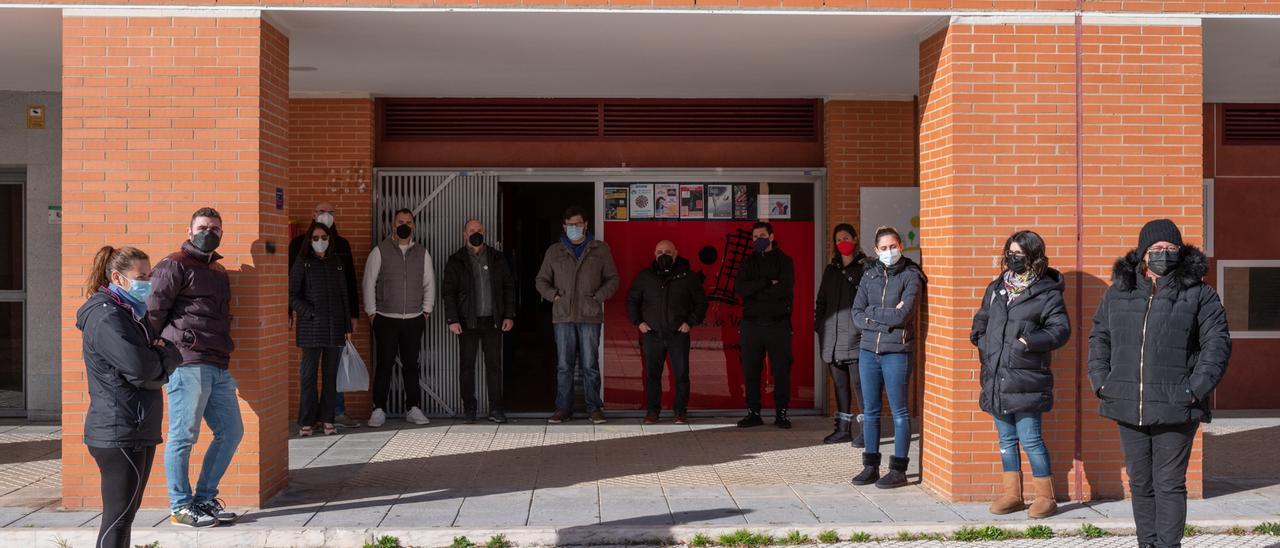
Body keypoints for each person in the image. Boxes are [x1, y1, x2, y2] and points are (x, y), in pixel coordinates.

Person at [1089, 219, 1230, 548]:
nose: (1162, 255)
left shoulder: (1200, 294)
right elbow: (1100, 337)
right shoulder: (1118, 293)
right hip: (1127, 403)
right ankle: (1146, 543)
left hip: (1177, 406)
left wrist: (1193, 390)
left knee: (1168, 483)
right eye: (1155, 250)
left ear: (1180, 253)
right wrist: (1102, 382)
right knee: (1140, 483)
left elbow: (1217, 345)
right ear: (1142, 255)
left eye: (1170, 249)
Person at [76, 246, 180, 547]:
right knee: (118, 518)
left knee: (127, 515)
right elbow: (143, 369)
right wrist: (165, 355)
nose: (148, 282)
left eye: (150, 275)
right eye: (142, 276)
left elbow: (149, 365)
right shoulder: (107, 317)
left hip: (136, 426)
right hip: (119, 429)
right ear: (118, 278)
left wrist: (160, 357)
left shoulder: (130, 313)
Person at [147, 207, 243, 526]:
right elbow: (153, 311)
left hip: (217, 362)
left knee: (231, 432)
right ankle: (180, 505)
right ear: (189, 231)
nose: (209, 232)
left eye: (215, 228)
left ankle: (203, 499)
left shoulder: (218, 271)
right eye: (202, 227)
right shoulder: (174, 264)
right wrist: (156, 352)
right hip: (186, 362)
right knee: (184, 435)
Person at [970, 230, 1070, 517]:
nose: (1013, 258)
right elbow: (982, 319)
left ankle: (1045, 497)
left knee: (1030, 438)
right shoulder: (997, 287)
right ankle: (1012, 494)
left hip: (1027, 378)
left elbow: (1060, 330)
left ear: (1034, 257)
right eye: (1010, 253)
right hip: (996, 375)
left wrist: (1028, 341)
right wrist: (980, 339)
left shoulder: (1046, 292)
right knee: (1006, 440)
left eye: (1019, 254)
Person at [850, 225, 923, 489]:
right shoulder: (869, 275)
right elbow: (856, 314)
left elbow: (903, 315)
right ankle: (870, 466)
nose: (889, 252)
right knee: (870, 412)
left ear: (901, 246)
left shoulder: (911, 275)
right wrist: (883, 316)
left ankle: (898, 470)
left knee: (900, 412)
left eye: (893, 246)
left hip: (897, 353)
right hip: (869, 352)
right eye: (884, 248)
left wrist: (873, 314)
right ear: (876, 250)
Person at [535, 206, 620, 424]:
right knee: (564, 365)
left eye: (579, 224)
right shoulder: (554, 251)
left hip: (589, 316)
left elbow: (613, 279)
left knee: (590, 364)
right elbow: (541, 281)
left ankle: (594, 408)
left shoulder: (599, 250)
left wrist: (598, 297)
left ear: (586, 225)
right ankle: (563, 408)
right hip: (563, 316)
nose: (575, 228)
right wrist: (554, 296)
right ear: (564, 227)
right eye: (571, 225)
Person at [289, 202, 360, 428]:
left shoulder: (338, 256)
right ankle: (307, 420)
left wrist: (350, 321)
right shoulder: (300, 252)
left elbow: (347, 289)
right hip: (311, 328)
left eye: (330, 212)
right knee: (308, 376)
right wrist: (305, 312)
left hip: (335, 326)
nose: (321, 240)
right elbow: (291, 291)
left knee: (331, 376)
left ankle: (328, 417)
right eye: (321, 211)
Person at [363, 208, 434, 427]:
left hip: (414, 319)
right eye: (401, 221)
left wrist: (426, 311)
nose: (405, 225)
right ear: (393, 225)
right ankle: (379, 409)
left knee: (412, 364)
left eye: (409, 222)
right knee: (384, 364)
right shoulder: (380, 251)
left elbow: (429, 283)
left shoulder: (422, 252)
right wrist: (372, 313)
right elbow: (369, 282)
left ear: (413, 226)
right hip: (385, 318)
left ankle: (413, 408)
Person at [442, 219, 517, 424]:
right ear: (464, 234)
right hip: (467, 322)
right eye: (472, 230)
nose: (476, 233)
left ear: (485, 233)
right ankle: (469, 409)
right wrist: (452, 319)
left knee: (494, 366)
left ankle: (496, 408)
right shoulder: (456, 260)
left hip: (493, 322)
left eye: (479, 230)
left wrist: (509, 315)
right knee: (467, 366)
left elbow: (509, 287)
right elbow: (448, 292)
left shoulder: (497, 258)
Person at [627, 240, 709, 424]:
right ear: (654, 253)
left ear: (676, 253)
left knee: (681, 374)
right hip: (652, 335)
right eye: (660, 251)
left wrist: (690, 322)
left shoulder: (688, 276)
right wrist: (638, 322)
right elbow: (632, 300)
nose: (663, 255)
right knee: (652, 375)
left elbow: (701, 302)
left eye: (668, 251)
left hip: (678, 334)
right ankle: (652, 412)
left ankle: (680, 412)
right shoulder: (645, 276)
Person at [735, 221, 796, 429]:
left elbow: (785, 290)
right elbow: (741, 289)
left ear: (771, 237)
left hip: (778, 324)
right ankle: (753, 413)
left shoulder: (784, 261)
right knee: (751, 370)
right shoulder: (747, 262)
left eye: (762, 235)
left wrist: (757, 291)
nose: (758, 240)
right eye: (754, 237)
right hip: (751, 325)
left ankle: (781, 414)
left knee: (781, 370)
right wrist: (767, 283)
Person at [815, 223, 868, 446]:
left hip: (856, 339)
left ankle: (867, 430)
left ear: (855, 239)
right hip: (832, 339)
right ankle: (842, 429)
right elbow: (822, 301)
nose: (842, 242)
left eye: (846, 238)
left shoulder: (866, 268)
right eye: (838, 240)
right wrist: (820, 326)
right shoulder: (831, 270)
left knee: (860, 386)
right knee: (840, 386)